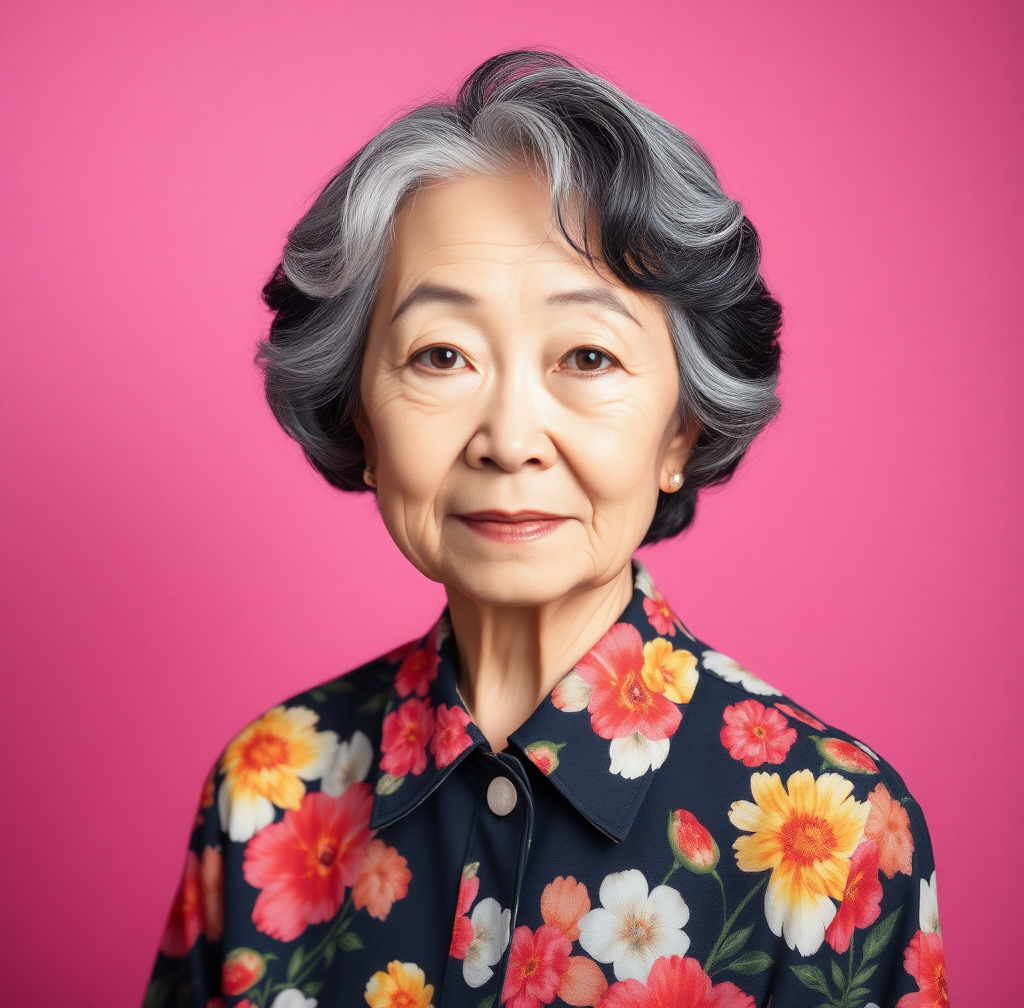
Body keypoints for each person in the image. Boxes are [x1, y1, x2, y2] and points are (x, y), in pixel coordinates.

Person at [144, 50, 946, 1008]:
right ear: (359, 415)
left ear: (681, 431)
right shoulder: (265, 791)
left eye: (588, 355)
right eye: (442, 355)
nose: (511, 440)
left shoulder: (840, 832)